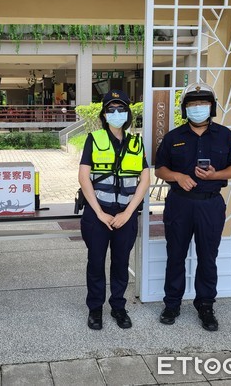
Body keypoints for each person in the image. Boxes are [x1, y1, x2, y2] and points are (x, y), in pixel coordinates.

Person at [154, 82, 231, 331]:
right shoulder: (174, 137)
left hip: (210, 205)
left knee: (208, 257)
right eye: (192, 104)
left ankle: (205, 305)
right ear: (184, 109)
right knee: (175, 256)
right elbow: (160, 167)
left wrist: (215, 176)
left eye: (202, 103)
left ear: (211, 107)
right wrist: (177, 177)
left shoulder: (226, 135)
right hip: (180, 205)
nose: (198, 108)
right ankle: (172, 303)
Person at [78, 90, 150, 330]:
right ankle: (95, 309)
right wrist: (99, 213)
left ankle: (118, 307)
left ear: (128, 114)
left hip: (125, 215)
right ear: (104, 114)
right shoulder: (94, 139)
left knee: (121, 263)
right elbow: (84, 177)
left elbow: (145, 179)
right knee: (95, 263)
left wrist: (128, 213)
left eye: (121, 109)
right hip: (98, 214)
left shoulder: (137, 143)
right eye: (111, 109)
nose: (116, 113)